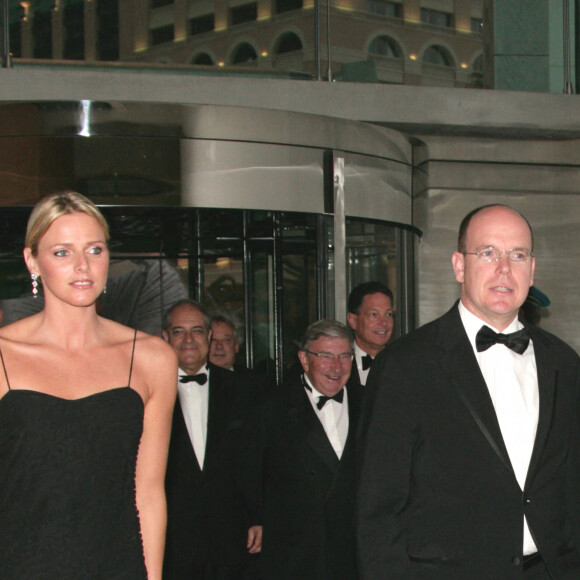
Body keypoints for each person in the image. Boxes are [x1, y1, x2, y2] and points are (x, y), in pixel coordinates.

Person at [357, 204, 580, 579]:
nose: (504, 268)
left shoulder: (564, 362)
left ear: (532, 270)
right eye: (488, 253)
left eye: (518, 255)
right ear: (459, 265)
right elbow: (377, 507)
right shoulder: (405, 365)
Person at [0, 191, 177, 579]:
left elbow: (148, 495)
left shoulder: (152, 358)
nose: (82, 266)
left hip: (117, 567)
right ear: (33, 261)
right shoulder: (3, 355)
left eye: (94, 250)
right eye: (62, 252)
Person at [246, 319, 361, 580]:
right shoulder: (271, 408)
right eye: (325, 356)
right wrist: (255, 520)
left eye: (344, 356)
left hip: (352, 550)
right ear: (304, 359)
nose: (336, 366)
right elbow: (250, 472)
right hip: (295, 550)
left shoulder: (368, 403)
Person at [162, 299, 261, 579]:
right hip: (172, 539)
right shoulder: (146, 392)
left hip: (234, 537)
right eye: (179, 331)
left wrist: (258, 517)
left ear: (208, 336)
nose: (189, 339)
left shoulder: (245, 390)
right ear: (165, 338)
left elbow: (257, 460)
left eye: (196, 330)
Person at [346, 281, 394, 387]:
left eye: (388, 314)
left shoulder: (404, 364)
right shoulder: (339, 364)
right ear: (353, 320)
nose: (383, 322)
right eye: (373, 314)